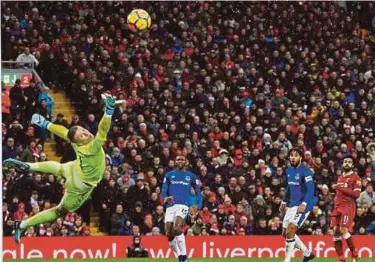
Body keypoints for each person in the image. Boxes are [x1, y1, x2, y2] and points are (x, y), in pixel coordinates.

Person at [3, 94, 124, 243]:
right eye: (82, 135)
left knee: (60, 168)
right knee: (59, 211)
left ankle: (28, 166)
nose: (85, 133)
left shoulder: (75, 141)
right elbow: (103, 129)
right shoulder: (92, 146)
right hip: (81, 185)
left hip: (77, 167)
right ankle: (23, 224)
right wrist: (109, 111)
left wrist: (45, 123)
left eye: (82, 130)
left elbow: (62, 131)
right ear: (79, 141)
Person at [161, 155, 202, 262]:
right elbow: (164, 189)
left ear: (186, 162)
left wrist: (197, 205)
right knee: (168, 233)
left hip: (183, 205)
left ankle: (184, 256)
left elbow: (198, 191)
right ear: (175, 161)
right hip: (170, 206)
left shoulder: (191, 176)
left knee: (176, 228)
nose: (179, 161)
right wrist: (165, 198)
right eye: (178, 159)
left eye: (182, 159)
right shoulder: (169, 175)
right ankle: (179, 256)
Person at [280, 148, 317, 262]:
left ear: (300, 157)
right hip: (292, 204)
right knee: (285, 233)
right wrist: (283, 202)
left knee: (291, 228)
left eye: (296, 155)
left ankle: (287, 260)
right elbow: (289, 188)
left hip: (304, 204)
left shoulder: (306, 171)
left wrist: (304, 204)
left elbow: (311, 189)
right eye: (291, 155)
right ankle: (307, 253)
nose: (293, 157)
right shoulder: (289, 171)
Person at [331, 155, 361, 262]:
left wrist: (340, 187)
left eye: (349, 162)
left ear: (352, 165)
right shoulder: (340, 177)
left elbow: (357, 194)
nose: (347, 163)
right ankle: (341, 259)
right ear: (343, 164)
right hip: (337, 206)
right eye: (345, 162)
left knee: (343, 230)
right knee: (335, 231)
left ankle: (354, 254)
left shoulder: (356, 178)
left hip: (348, 207)